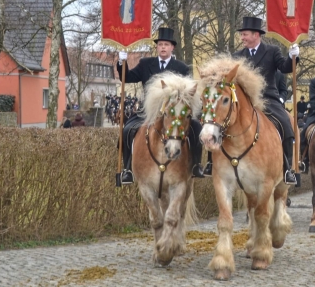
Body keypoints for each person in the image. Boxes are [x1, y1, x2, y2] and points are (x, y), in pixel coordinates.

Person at [116, 27, 204, 185]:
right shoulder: (145, 64)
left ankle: (196, 165)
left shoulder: (182, 68)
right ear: (157, 47)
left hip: (175, 113)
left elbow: (189, 93)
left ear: (172, 47)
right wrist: (122, 62)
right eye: (160, 44)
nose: (163, 47)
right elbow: (127, 78)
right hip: (149, 112)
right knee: (127, 131)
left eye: (166, 44)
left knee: (196, 128)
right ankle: (128, 169)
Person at [224, 16, 299, 185]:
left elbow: (285, 68)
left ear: (256, 35)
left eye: (245, 34)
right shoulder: (237, 56)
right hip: (244, 101)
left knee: (286, 125)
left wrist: (292, 56)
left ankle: (287, 169)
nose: (242, 38)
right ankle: (211, 164)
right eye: (242, 35)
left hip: (267, 99)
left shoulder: (272, 51)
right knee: (219, 122)